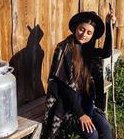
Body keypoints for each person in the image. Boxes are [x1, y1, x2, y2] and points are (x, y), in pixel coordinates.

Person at [41, 10, 116, 139]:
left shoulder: (88, 49)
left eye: (89, 33)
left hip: (86, 102)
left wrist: (109, 25)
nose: (84, 35)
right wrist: (80, 114)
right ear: (76, 27)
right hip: (67, 105)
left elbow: (106, 53)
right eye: (82, 29)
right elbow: (64, 87)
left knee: (107, 130)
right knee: (92, 135)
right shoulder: (64, 48)